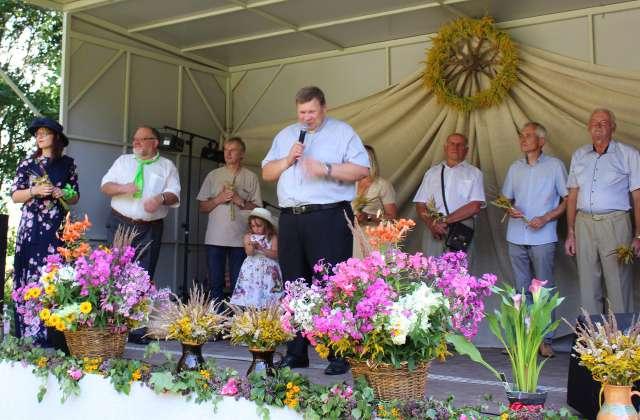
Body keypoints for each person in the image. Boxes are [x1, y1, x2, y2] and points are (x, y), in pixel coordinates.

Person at [262, 86, 369, 375]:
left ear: (323, 107)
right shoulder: (286, 135)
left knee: (331, 283)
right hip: (291, 218)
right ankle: (297, 352)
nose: (306, 118)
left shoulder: (342, 132)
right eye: (301, 112)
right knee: (295, 284)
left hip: (328, 215)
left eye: (311, 111)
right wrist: (286, 160)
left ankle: (339, 353)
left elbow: (362, 170)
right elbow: (267, 173)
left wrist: (326, 168)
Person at [101, 125, 180, 344]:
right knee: (115, 273)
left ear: (154, 142)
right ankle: (113, 324)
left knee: (143, 275)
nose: (135, 142)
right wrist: (123, 188)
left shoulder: (167, 166)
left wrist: (160, 199)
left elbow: (174, 194)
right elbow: (105, 186)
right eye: (134, 139)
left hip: (149, 227)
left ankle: (136, 329)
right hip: (119, 223)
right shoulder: (123, 161)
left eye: (141, 139)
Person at [565, 108, 640, 314]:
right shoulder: (579, 155)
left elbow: (637, 196)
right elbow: (572, 195)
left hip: (615, 223)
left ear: (613, 128)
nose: (598, 126)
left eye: (604, 123)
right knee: (588, 285)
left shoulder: (628, 154)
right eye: (594, 122)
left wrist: (638, 235)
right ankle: (593, 342)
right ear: (589, 127)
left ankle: (622, 341)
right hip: (584, 223)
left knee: (618, 284)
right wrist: (570, 232)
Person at [11, 117, 79, 343]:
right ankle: (29, 335)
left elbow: (75, 196)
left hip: (56, 228)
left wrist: (63, 193)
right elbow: (15, 196)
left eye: (45, 133)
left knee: (54, 275)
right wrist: (35, 190)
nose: (39, 137)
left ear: (56, 137)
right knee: (29, 275)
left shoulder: (67, 164)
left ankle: (54, 336)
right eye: (37, 133)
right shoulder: (27, 163)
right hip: (30, 227)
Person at [502, 122, 567, 358]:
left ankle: (545, 340)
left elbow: (568, 199)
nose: (524, 139)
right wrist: (509, 209)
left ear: (541, 141)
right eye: (522, 135)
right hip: (516, 236)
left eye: (529, 136)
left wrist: (547, 217)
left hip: (544, 235)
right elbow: (505, 199)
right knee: (521, 290)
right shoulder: (514, 167)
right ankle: (524, 339)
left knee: (544, 291)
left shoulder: (555, 166)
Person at [197, 137, 261, 303]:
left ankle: (236, 322)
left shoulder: (250, 177)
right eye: (226, 150)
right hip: (215, 238)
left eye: (233, 150)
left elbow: (258, 212)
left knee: (238, 284)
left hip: (240, 240)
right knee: (215, 283)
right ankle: (215, 321)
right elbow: (202, 207)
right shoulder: (214, 175)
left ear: (242, 154)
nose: (228, 153)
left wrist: (240, 200)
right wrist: (218, 199)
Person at [414, 133, 485, 256]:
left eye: (460, 145)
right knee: (432, 270)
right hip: (434, 228)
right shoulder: (432, 173)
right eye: (452, 144)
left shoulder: (474, 173)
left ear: (466, 150)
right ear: (445, 148)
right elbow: (420, 204)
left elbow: (475, 206)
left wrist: (445, 221)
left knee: (458, 271)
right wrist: (431, 224)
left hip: (461, 227)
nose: (455, 147)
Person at [229, 208, 282, 307]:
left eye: (259, 226)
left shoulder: (272, 237)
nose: (256, 228)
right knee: (252, 292)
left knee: (268, 293)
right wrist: (251, 246)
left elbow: (275, 254)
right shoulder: (248, 237)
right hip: (252, 270)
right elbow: (249, 253)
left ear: (267, 225)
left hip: (269, 270)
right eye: (253, 226)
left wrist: (262, 249)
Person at [352, 145, 397, 225]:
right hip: (345, 235)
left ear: (369, 161)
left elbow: (392, 218)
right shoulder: (347, 183)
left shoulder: (383, 185)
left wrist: (369, 217)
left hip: (371, 235)